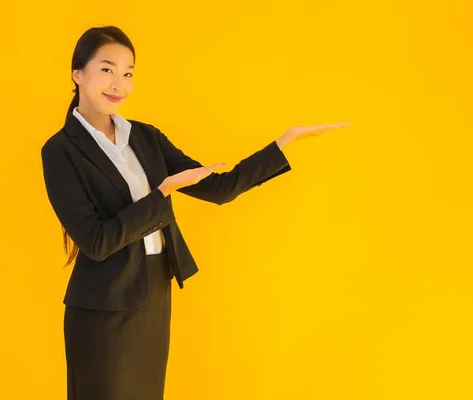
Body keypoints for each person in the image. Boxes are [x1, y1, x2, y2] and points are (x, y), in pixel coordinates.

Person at [40, 25, 349, 400]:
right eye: (106, 69)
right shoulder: (60, 150)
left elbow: (219, 188)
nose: (118, 83)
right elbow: (96, 241)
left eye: (128, 73)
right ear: (78, 74)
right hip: (102, 310)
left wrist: (283, 143)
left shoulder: (146, 137)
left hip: (153, 294)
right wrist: (163, 193)